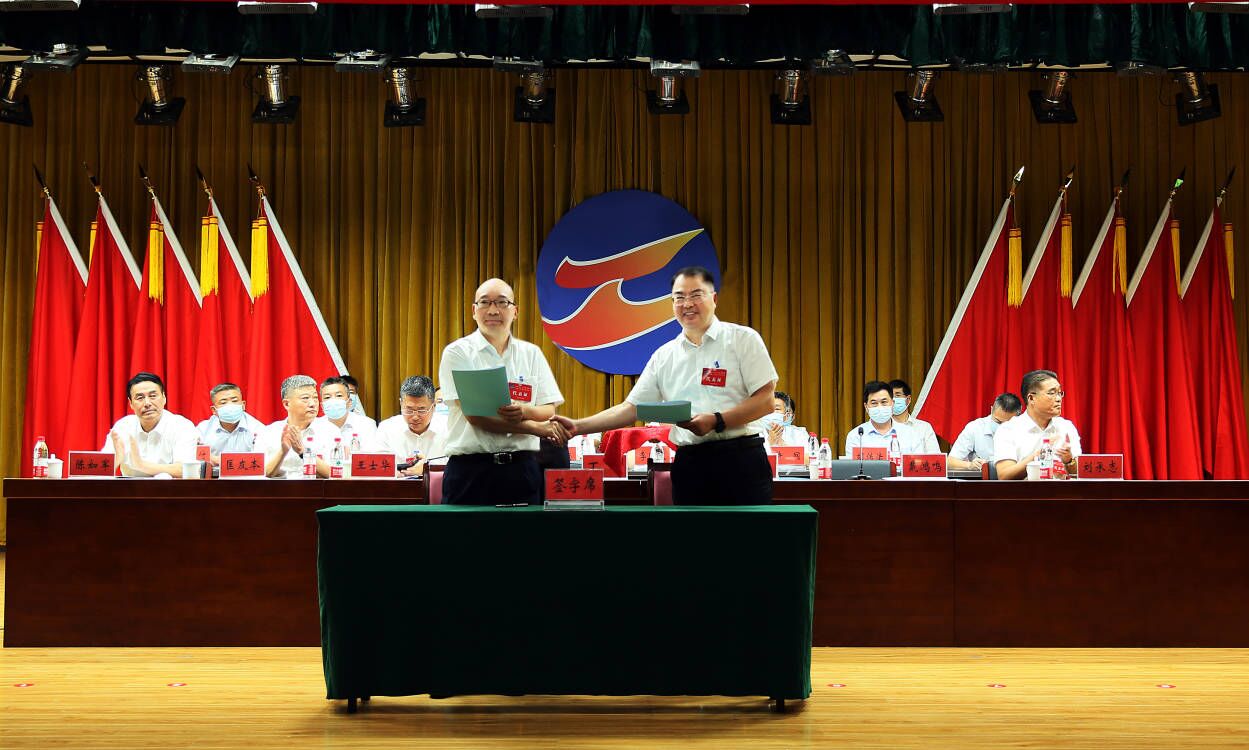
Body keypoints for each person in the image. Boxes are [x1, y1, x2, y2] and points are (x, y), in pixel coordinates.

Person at [553, 266, 778, 505]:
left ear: (714, 299)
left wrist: (716, 420)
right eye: (679, 297)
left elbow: (765, 401)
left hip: (741, 461)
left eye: (696, 295)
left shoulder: (743, 339)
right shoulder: (664, 356)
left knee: (747, 530)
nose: (687, 304)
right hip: (690, 465)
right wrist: (578, 426)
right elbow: (632, 408)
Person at [436, 278, 568, 504]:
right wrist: (536, 428)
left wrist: (525, 411)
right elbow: (476, 416)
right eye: (485, 302)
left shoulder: (531, 353)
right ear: (474, 311)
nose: (493, 310)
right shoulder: (458, 353)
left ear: (515, 311)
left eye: (501, 302)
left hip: (522, 470)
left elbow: (549, 408)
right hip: (471, 472)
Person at [102, 372, 200, 477]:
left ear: (164, 398)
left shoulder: (182, 426)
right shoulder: (122, 427)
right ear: (131, 403)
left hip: (170, 487)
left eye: (153, 396)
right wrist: (115, 462)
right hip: (131, 487)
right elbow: (100, 469)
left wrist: (141, 465)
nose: (147, 403)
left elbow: (185, 470)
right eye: (140, 398)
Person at [993, 369, 1082, 480]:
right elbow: (1004, 476)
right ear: (1031, 398)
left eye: (1060, 393)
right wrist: (1039, 455)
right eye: (1052, 393)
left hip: (1061, 490)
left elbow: (1080, 475)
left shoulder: (1066, 427)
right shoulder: (1008, 430)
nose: (1059, 399)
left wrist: (1068, 461)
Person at [260, 374, 335, 478]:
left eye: (315, 398)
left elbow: (335, 474)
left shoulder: (330, 431)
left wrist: (303, 452)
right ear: (286, 404)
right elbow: (260, 473)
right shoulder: (268, 432)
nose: (313, 404)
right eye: (305, 398)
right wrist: (283, 451)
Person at [371, 375, 446, 477]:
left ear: (433, 407)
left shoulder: (447, 428)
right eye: (409, 410)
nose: (415, 417)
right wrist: (392, 472)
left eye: (421, 410)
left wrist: (427, 470)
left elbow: (457, 470)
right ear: (401, 404)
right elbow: (375, 466)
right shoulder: (387, 428)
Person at [844, 380, 922, 457]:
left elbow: (918, 463)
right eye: (874, 403)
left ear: (892, 403)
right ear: (866, 407)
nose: (880, 407)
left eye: (884, 402)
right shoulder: (856, 436)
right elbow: (853, 465)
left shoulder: (911, 434)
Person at [196, 382, 267, 466]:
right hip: (213, 474)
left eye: (234, 401)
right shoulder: (203, 429)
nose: (230, 405)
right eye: (223, 402)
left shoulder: (257, 429)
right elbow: (194, 454)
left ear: (243, 405)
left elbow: (262, 460)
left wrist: (220, 461)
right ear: (214, 410)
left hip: (247, 473)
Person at [948, 393, 1022, 471]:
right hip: (982, 477)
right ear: (991, 409)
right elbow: (950, 462)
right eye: (998, 421)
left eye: (1007, 423)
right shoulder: (975, 428)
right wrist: (970, 465)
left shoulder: (1025, 431)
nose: (1002, 427)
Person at [314, 375, 378, 445]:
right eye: (327, 397)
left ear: (349, 402)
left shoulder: (367, 425)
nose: (333, 400)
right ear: (322, 406)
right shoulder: (314, 427)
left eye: (339, 395)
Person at [889, 378, 940, 453]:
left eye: (897, 395)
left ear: (908, 399)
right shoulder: (882, 427)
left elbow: (935, 456)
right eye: (890, 396)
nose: (893, 400)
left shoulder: (924, 427)